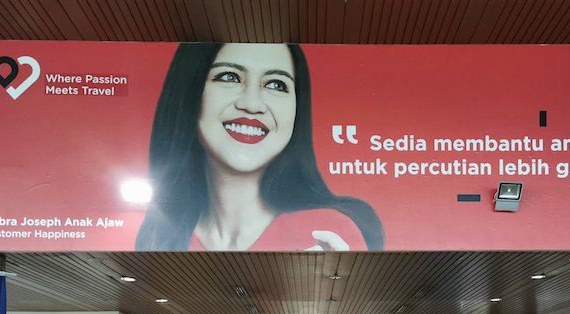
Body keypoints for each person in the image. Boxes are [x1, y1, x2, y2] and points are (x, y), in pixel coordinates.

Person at [135, 43, 384, 252]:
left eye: (276, 84)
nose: (252, 104)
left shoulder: (331, 231)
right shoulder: (158, 233)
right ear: (190, 91)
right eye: (229, 77)